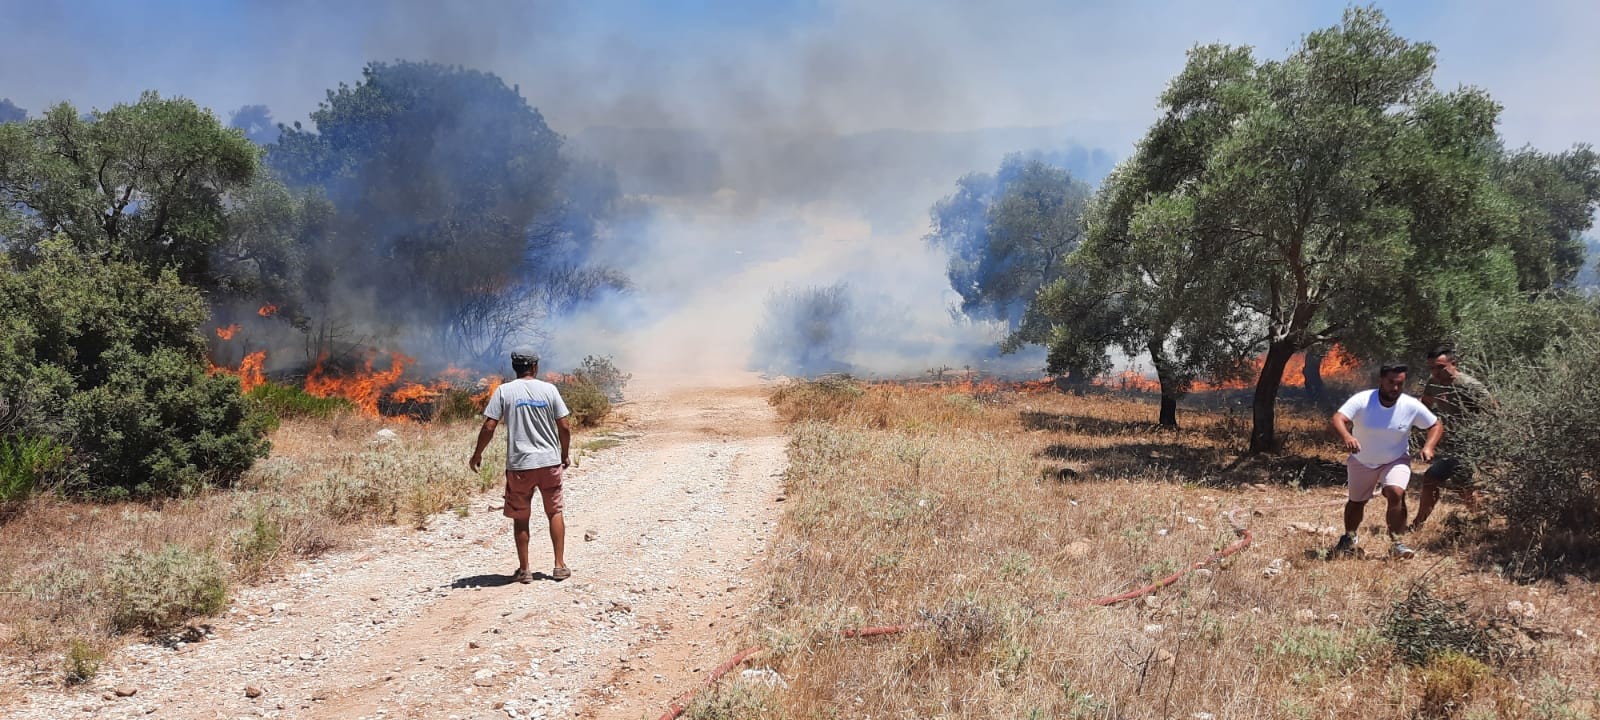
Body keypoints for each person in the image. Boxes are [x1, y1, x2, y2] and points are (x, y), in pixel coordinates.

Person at [470, 349, 572, 583]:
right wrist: (564, 454)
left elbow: (488, 427)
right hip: (549, 463)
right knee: (554, 511)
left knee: (521, 516)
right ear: (535, 366)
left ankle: (525, 570)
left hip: (520, 466)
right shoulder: (550, 390)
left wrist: (477, 454)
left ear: (514, 367)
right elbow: (564, 426)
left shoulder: (504, 391)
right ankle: (559, 566)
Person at [1329, 362, 1442, 559]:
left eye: (1400, 384)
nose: (1395, 388)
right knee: (1356, 502)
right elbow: (1338, 418)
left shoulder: (1410, 405)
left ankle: (1397, 543)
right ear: (1381, 380)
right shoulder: (1363, 399)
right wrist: (1348, 437)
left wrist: (1428, 446)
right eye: (1391, 382)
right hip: (1362, 460)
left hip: (1395, 459)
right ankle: (1349, 537)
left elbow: (1435, 424)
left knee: (1395, 492)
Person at [1412, 346, 1492, 529]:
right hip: (1451, 444)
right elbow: (1424, 405)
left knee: (1450, 482)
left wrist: (1481, 437)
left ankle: (1482, 519)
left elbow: (1494, 410)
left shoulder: (1470, 385)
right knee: (1448, 483)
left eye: (1440, 367)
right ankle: (1419, 524)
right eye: (1431, 368)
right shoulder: (1433, 383)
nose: (1435, 372)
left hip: (1470, 444)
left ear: (1453, 364)